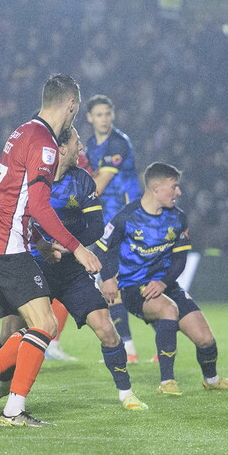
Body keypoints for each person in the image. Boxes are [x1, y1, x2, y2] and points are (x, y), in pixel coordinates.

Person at [0, 73, 101, 427]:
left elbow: (15, 197)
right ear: (71, 104)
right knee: (46, 324)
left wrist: (40, 242)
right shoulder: (46, 143)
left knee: (30, 326)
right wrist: (77, 248)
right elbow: (38, 205)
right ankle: (8, 405)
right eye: (77, 109)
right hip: (7, 245)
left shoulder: (21, 131)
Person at [0, 125, 148, 411]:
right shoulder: (32, 179)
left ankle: (126, 393)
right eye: (76, 143)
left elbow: (96, 226)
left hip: (72, 270)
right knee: (8, 333)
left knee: (106, 328)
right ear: (60, 148)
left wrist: (66, 246)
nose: (81, 148)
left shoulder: (82, 181)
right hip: (34, 266)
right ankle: (2, 384)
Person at [93, 162, 228, 395]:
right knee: (168, 310)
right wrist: (107, 279)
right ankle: (167, 382)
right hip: (133, 288)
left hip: (166, 285)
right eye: (174, 187)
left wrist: (163, 282)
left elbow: (180, 260)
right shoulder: (126, 218)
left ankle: (212, 380)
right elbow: (102, 249)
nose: (179, 192)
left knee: (205, 339)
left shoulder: (178, 219)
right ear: (156, 188)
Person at [85, 94, 145, 363]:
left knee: (111, 280)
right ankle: (131, 346)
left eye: (107, 114)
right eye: (99, 115)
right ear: (89, 118)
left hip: (124, 219)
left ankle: (131, 346)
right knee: (111, 281)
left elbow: (100, 184)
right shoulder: (89, 144)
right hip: (104, 220)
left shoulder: (119, 143)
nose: (104, 119)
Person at [0, 295, 74, 362]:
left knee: (59, 293)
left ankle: (52, 346)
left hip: (39, 256)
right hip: (15, 256)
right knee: (0, 291)